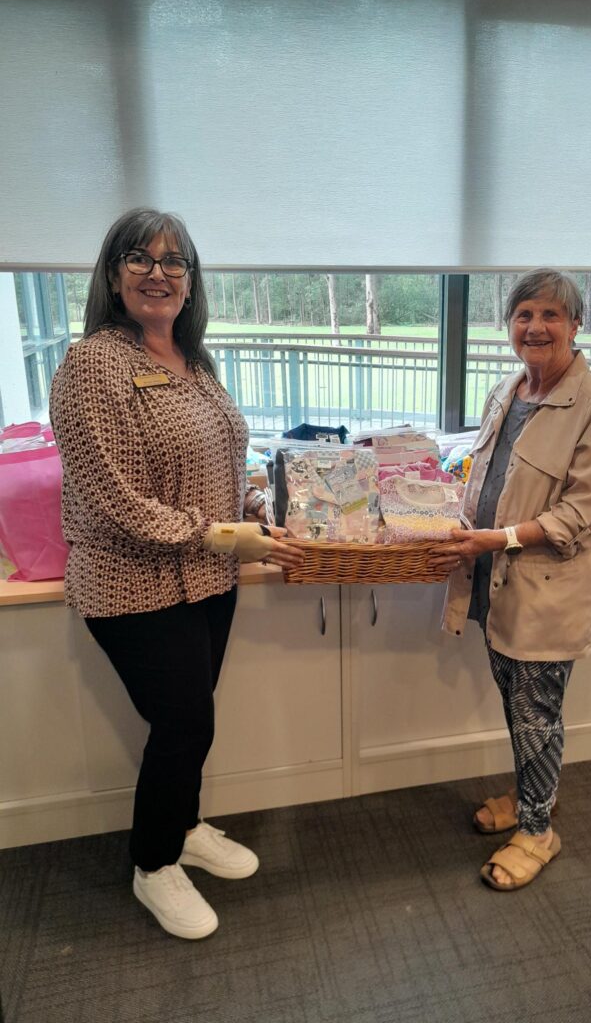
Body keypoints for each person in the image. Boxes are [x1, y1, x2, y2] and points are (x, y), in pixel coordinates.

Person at [49, 208, 304, 939]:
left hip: (206, 580)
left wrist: (255, 503)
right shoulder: (93, 365)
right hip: (130, 583)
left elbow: (217, 466)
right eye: (141, 258)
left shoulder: (195, 362)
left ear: (191, 284)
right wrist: (231, 537)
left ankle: (186, 826)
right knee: (182, 721)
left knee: (195, 720)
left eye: (175, 262)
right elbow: (116, 498)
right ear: (113, 274)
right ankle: (154, 863)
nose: (158, 273)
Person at [434, 269, 591, 891]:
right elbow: (485, 474)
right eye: (523, 315)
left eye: (549, 315)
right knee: (517, 704)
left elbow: (585, 511)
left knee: (536, 709)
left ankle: (539, 829)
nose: (535, 327)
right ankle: (530, 797)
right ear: (509, 325)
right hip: (493, 580)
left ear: (575, 324)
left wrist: (500, 538)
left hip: (547, 587)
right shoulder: (508, 390)